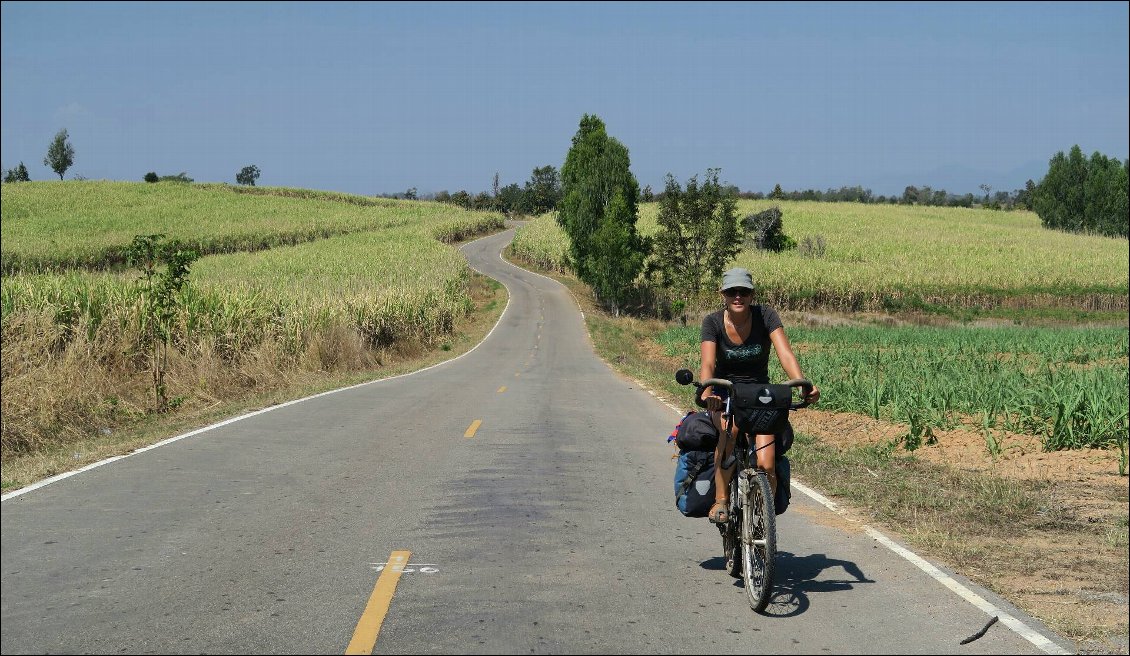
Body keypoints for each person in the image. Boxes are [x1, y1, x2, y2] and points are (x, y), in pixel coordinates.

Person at [699, 267, 820, 524]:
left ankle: (761, 524)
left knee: (766, 464)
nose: (738, 297)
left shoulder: (766, 315)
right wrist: (708, 391)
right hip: (725, 391)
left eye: (744, 292)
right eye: (732, 292)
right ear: (723, 294)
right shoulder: (712, 322)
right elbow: (708, 364)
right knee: (729, 433)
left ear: (752, 295)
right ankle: (720, 500)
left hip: (758, 394)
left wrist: (802, 383)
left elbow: (785, 354)